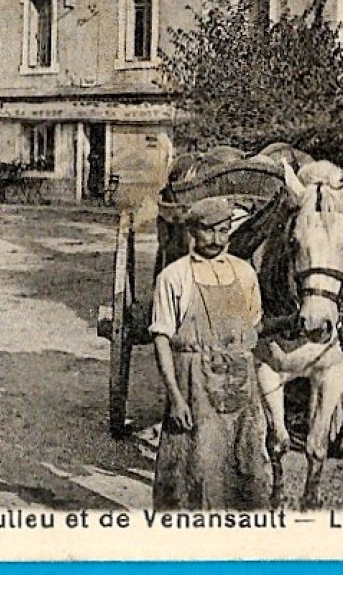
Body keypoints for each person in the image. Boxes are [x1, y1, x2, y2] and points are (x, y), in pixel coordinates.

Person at [149, 195, 272, 510]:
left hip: (240, 387)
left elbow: (253, 324)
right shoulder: (174, 277)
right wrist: (176, 397)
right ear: (192, 231)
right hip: (195, 386)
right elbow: (162, 339)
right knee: (196, 469)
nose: (217, 239)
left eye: (224, 230)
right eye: (208, 231)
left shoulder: (245, 273)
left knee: (247, 464)